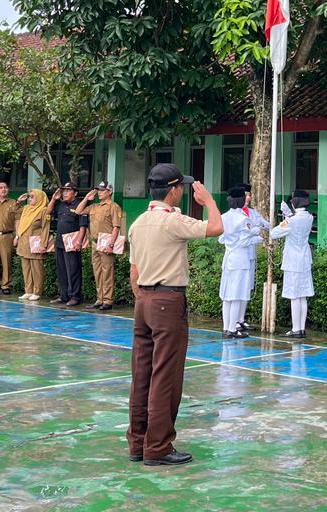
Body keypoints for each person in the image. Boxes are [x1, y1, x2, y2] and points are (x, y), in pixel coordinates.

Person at [127, 162, 222, 467]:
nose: (183, 191)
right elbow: (215, 228)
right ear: (173, 190)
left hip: (143, 302)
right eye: (182, 186)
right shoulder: (172, 220)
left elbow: (134, 271)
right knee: (166, 375)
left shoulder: (138, 222)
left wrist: (144, 298)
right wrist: (208, 201)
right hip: (168, 302)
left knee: (142, 375)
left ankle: (138, 442)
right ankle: (158, 446)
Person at [218, 184, 269, 338]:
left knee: (227, 296)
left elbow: (221, 238)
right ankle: (233, 329)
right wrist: (258, 237)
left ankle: (227, 327)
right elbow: (245, 241)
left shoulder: (223, 217)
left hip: (228, 258)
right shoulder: (243, 219)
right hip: (240, 259)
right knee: (236, 295)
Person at [271, 190, 314, 339]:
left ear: (295, 203)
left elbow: (274, 233)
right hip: (304, 259)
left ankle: (295, 329)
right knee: (302, 296)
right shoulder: (309, 217)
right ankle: (301, 328)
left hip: (292, 261)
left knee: (294, 296)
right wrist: (288, 215)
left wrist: (286, 218)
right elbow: (295, 223)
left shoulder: (292, 221)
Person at [78, 181, 125, 310]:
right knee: (97, 272)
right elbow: (78, 211)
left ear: (110, 192)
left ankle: (108, 300)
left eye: (102, 190)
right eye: (98, 190)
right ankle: (100, 299)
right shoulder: (94, 206)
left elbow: (116, 227)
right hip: (95, 243)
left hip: (106, 242)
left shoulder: (113, 207)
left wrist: (111, 244)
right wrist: (87, 198)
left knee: (107, 272)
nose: (99, 192)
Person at [47, 183, 88, 306]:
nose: (64, 193)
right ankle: (63, 295)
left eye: (68, 191)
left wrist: (79, 241)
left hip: (72, 242)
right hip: (60, 242)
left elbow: (83, 226)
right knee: (62, 271)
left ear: (75, 193)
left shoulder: (79, 206)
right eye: (63, 191)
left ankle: (75, 296)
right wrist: (54, 199)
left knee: (73, 270)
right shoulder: (61, 205)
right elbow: (48, 212)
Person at [14, 189, 51, 301]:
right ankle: (28, 290)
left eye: (32, 197)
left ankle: (37, 291)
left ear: (39, 198)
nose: (30, 199)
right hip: (24, 242)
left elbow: (46, 228)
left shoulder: (43, 210)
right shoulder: (26, 209)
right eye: (29, 197)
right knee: (26, 268)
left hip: (35, 243)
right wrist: (19, 201)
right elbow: (14, 213)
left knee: (37, 269)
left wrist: (44, 244)